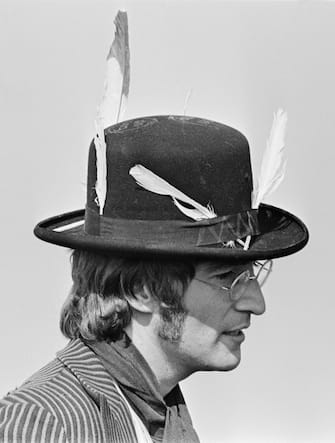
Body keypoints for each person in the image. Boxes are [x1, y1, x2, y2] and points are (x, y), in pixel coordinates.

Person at [0, 114, 308, 442]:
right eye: (227, 276)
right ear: (140, 289)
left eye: (254, 273)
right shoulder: (45, 424)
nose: (256, 303)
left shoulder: (161, 415)